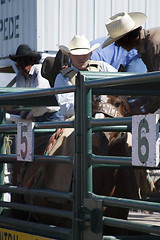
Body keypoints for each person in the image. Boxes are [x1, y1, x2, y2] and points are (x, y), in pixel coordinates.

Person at [101, 11, 160, 114]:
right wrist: (137, 103)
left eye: (117, 42)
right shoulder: (147, 45)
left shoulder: (154, 44)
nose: (118, 45)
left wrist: (143, 109)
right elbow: (154, 84)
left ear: (126, 38)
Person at [54, 35, 117, 119]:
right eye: (77, 55)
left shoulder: (102, 67)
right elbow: (67, 110)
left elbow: (121, 84)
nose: (81, 58)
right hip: (79, 119)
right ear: (70, 55)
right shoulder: (63, 77)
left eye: (84, 54)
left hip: (109, 113)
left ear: (90, 54)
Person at [9, 44, 64, 121]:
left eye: (26, 61)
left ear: (32, 61)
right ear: (18, 64)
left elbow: (39, 93)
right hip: (38, 116)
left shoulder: (39, 70)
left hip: (52, 114)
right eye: (20, 61)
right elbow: (20, 96)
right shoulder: (20, 75)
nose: (24, 65)